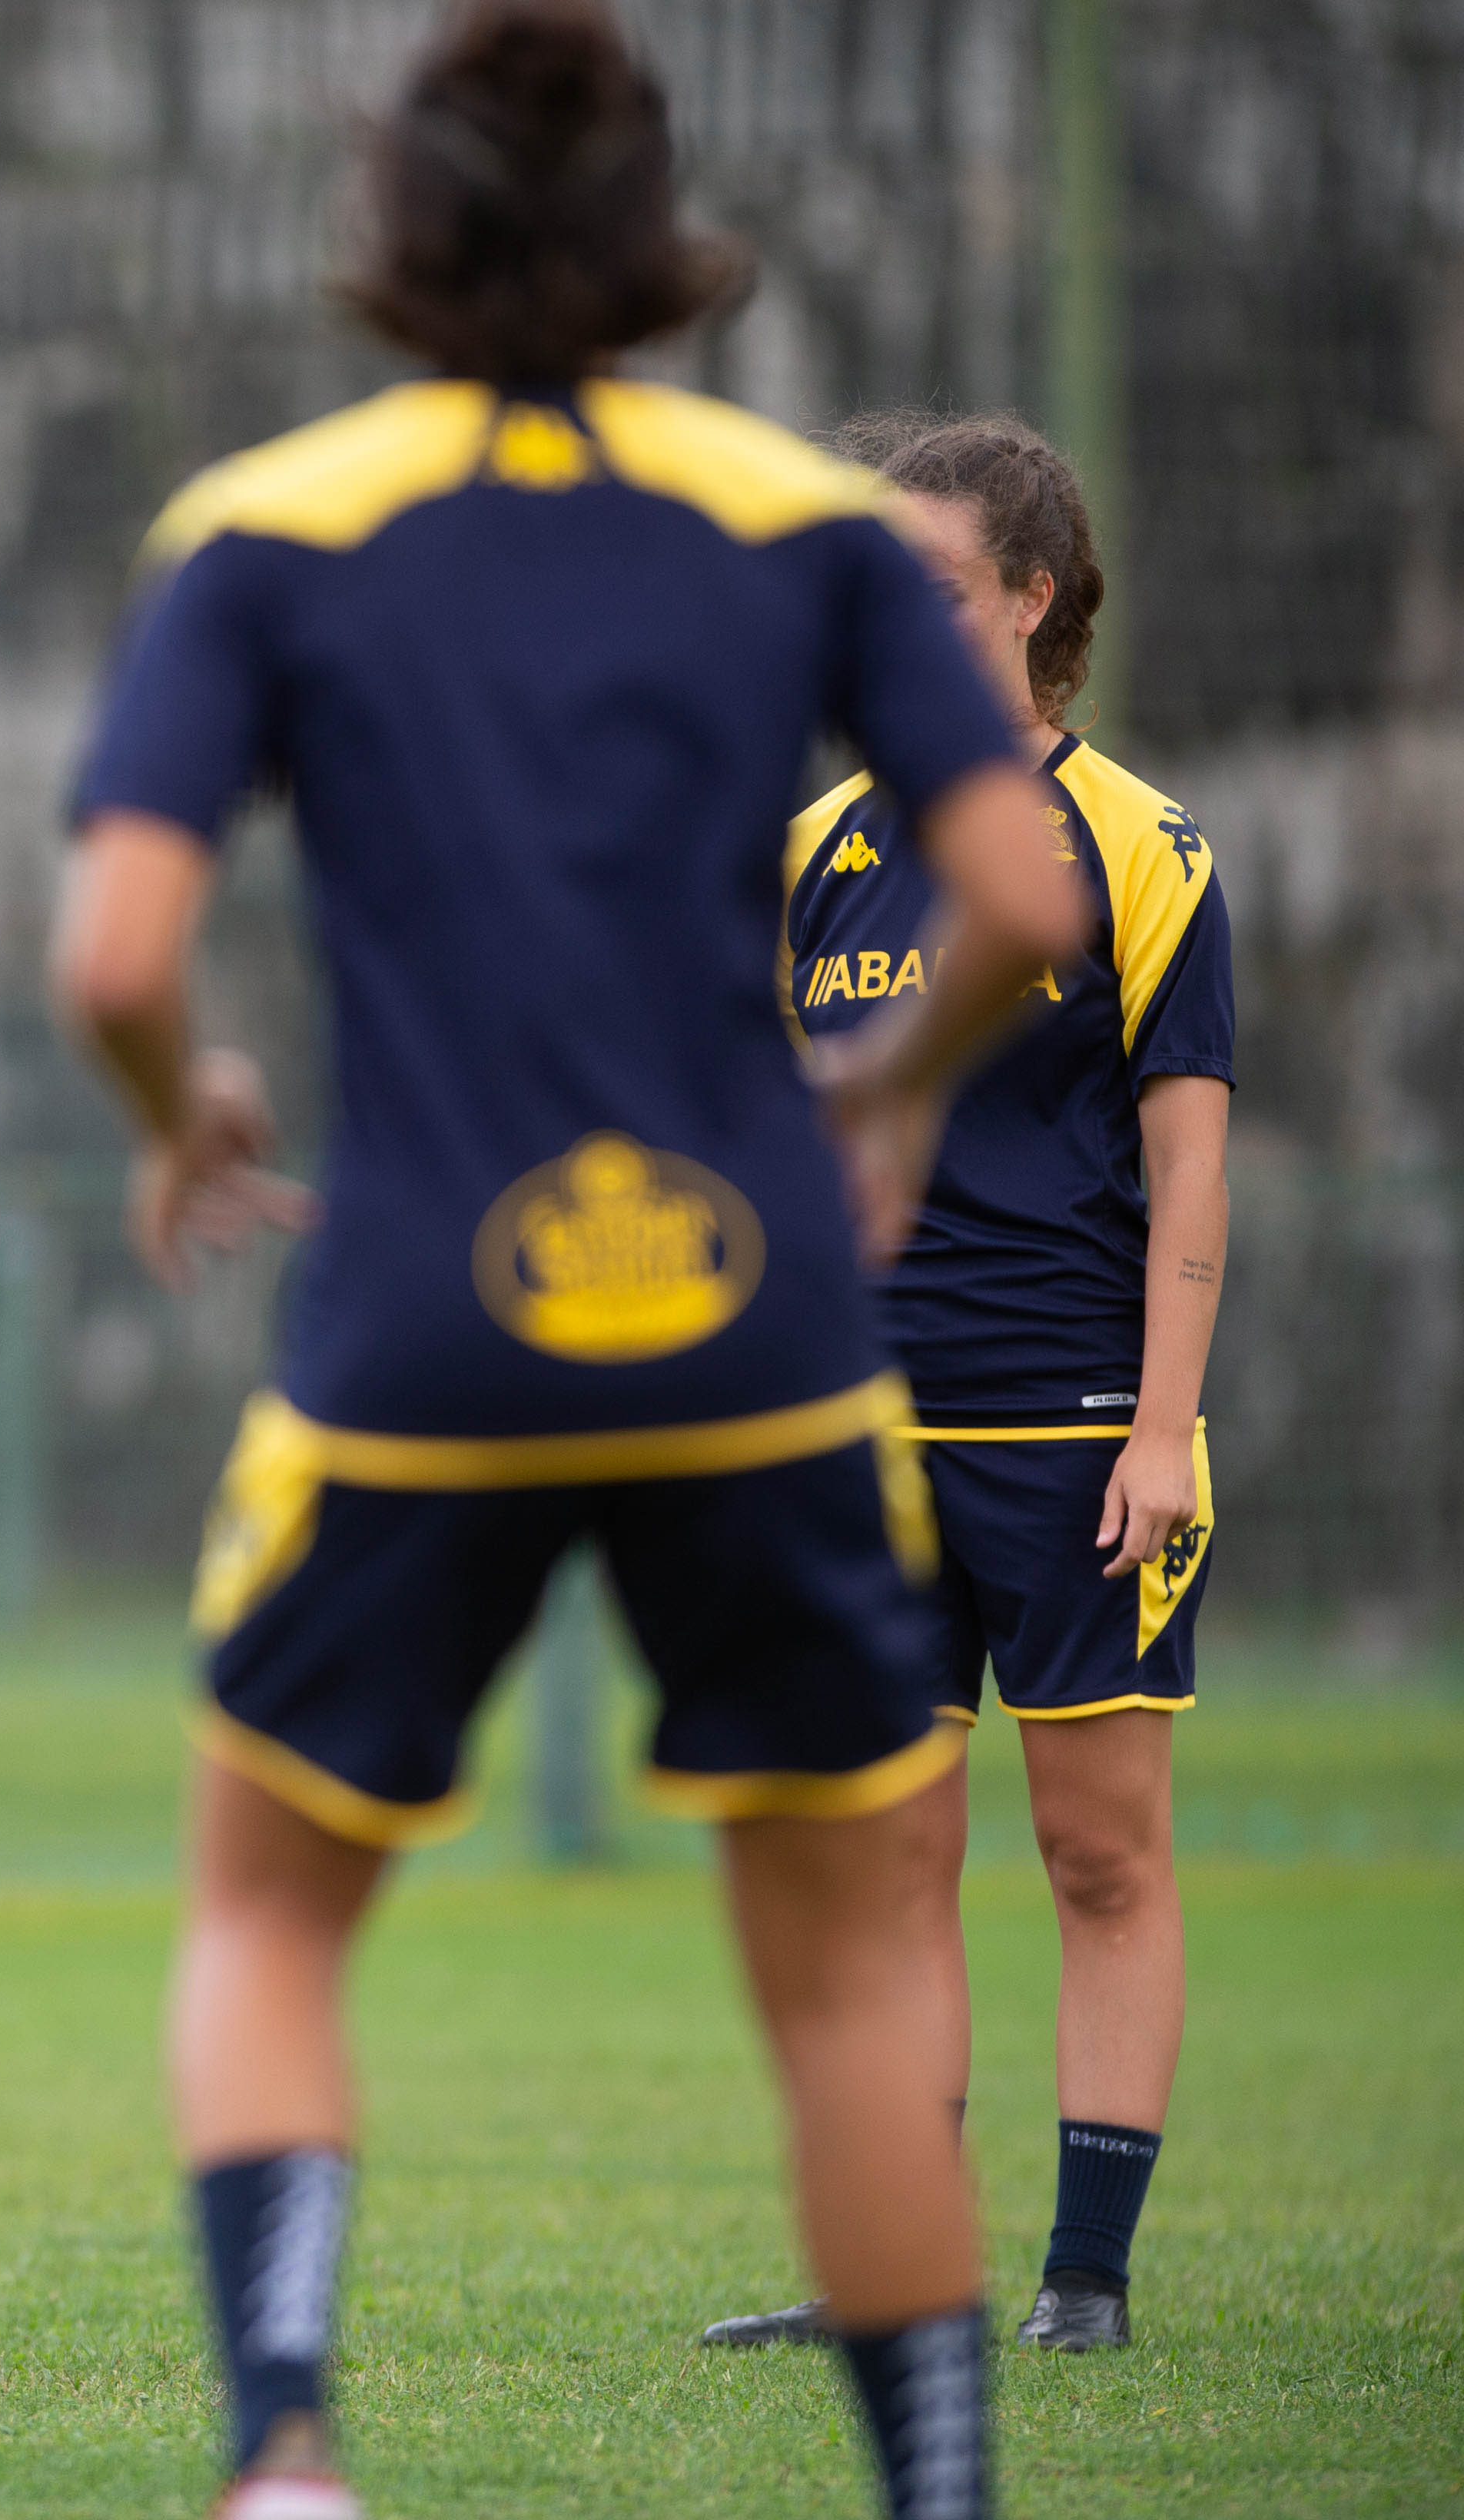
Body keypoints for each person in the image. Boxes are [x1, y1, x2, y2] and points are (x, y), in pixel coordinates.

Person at [47, 5, 1091, 2515]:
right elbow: (1019, 899)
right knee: (843, 1965)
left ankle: (283, 2448)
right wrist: (883, 1086)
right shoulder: (800, 525)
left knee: (269, 1912)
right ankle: (932, 2493)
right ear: (657, 240)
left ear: (385, 226)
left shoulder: (264, 530)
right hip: (753, 1334)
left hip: (416, 1329)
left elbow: (105, 953)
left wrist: (175, 1105)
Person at [702, 412, 1229, 2359]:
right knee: (880, 1851)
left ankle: (1082, 2278)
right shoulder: (811, 858)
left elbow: (1187, 1157)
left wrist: (1165, 1425)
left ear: (1029, 597)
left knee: (1096, 1845)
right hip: (856, 1443)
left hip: (1081, 1429)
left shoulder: (1134, 844)